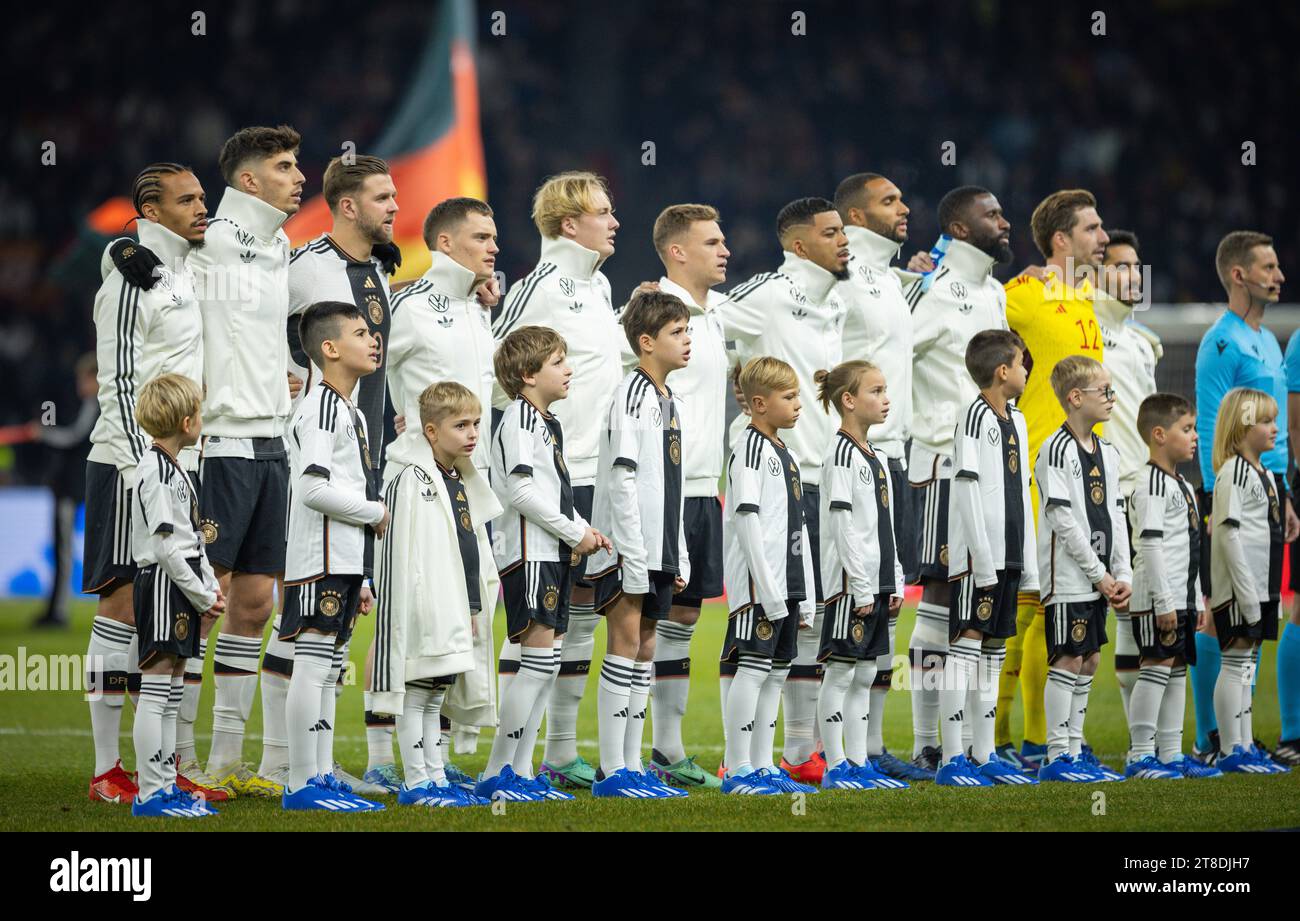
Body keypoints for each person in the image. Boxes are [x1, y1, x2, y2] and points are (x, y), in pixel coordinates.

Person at [267, 153, 399, 795]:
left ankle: (315, 769)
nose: (395, 207)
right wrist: (284, 383)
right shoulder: (303, 266)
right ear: (347, 206)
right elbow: (252, 329)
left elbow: (374, 362)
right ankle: (285, 767)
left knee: (330, 645)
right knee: (301, 637)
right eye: (383, 197)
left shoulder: (375, 270)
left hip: (361, 454)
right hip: (318, 467)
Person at [493, 172, 625, 790]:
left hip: (594, 471)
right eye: (602, 212)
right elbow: (495, 360)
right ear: (569, 224)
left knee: (577, 617)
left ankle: (555, 752)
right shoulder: (539, 286)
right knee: (534, 623)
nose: (614, 221)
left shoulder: (599, 289)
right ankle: (501, 759)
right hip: (545, 477)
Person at [86, 162, 209, 803]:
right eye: (187, 200)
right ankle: (109, 768)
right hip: (127, 465)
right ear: (151, 210)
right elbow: (121, 382)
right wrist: (148, 471)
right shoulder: (134, 281)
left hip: (179, 464)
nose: (201, 207)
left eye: (203, 197)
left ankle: (163, 761)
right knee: (124, 605)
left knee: (172, 610)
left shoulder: (184, 268)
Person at [716, 197, 847, 785]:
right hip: (779, 482)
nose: (844, 240)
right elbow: (699, 318)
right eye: (831, 232)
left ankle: (794, 753)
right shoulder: (766, 292)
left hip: (819, 472)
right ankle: (739, 759)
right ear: (799, 244)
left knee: (805, 624)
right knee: (756, 631)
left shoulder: (838, 300)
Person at [378, 196, 502, 790]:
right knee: (418, 626)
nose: (493, 247)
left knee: (462, 624)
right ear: (445, 244)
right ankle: (390, 765)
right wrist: (386, 438)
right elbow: (363, 378)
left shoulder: (479, 312)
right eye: (481, 237)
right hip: (417, 488)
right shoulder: (409, 307)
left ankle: (434, 764)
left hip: (466, 488)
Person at [998, 189, 1110, 772]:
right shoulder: (1021, 295)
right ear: (1060, 240)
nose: (1104, 238)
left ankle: (1045, 740)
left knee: (1055, 612)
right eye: (1091, 229)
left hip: (1078, 469)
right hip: (1036, 470)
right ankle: (1006, 741)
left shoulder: (1085, 297)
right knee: (1026, 611)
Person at [477, 326, 610, 802]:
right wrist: (574, 531)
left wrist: (583, 529)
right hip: (529, 555)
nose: (568, 369)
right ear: (529, 375)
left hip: (549, 553)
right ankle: (498, 772)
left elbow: (552, 492)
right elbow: (521, 491)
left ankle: (521, 771)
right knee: (534, 667)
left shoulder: (543, 420)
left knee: (544, 666)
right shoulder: (518, 419)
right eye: (558, 362)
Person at [905, 185, 1010, 775]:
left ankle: (973, 743)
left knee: (979, 602)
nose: (1004, 221)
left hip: (992, 470)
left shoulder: (992, 291)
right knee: (942, 595)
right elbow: (895, 356)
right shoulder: (934, 292)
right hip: (943, 467)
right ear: (961, 230)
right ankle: (927, 741)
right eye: (991, 215)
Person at [831, 172, 927, 782]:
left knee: (888, 604)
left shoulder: (893, 280)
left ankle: (869, 747)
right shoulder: (839, 279)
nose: (904, 207)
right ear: (856, 219)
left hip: (896, 457)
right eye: (889, 201)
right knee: (849, 602)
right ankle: (830, 750)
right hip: (851, 456)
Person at [1191, 231, 1294, 766]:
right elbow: (1214, 427)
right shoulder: (1221, 342)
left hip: (1270, 490)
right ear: (1239, 274)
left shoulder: (1267, 341)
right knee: (1219, 613)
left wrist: (1285, 497)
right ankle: (1210, 737)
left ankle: (1239, 737)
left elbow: (1274, 439)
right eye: (1269, 267)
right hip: (1230, 491)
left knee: (1251, 619)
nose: (1279, 276)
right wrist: (1215, 500)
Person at [636, 204, 730, 790]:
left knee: (686, 614)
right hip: (660, 491)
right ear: (677, 252)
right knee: (640, 621)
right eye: (712, 242)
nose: (725, 251)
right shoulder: (647, 311)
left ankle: (667, 749)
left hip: (702, 489)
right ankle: (611, 752)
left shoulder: (719, 313)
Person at [279, 301, 387, 811]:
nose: (373, 340)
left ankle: (320, 774)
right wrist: (375, 512)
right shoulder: (322, 404)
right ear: (329, 348)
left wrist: (362, 574)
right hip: (319, 554)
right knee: (314, 662)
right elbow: (312, 488)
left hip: (342, 558)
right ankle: (303, 781)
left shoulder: (348, 409)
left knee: (327, 666)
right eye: (361, 332)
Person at [370, 382, 497, 807]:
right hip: (425, 607)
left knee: (436, 694)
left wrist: (473, 602)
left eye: (476, 424)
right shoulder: (411, 478)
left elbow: (467, 547)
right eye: (461, 425)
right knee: (418, 695)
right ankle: (417, 783)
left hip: (455, 605)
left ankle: (436, 778)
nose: (472, 433)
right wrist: (416, 604)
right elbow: (401, 552)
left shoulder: (457, 475)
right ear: (430, 431)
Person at [587, 290, 693, 798]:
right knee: (625, 644)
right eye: (677, 332)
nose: (687, 340)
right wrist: (631, 553)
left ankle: (632, 764)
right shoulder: (631, 394)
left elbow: (669, 483)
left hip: (658, 547)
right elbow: (621, 480)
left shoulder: (668, 398)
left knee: (645, 647)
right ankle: (614, 768)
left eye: (687, 330)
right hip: (630, 549)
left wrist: (678, 551)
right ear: (646, 342)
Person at [939, 330, 1038, 786]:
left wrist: (1027, 563)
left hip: (1011, 554)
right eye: (1021, 364)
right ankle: (951, 758)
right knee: (965, 648)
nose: (1025, 371)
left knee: (993, 651)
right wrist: (980, 558)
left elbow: (1019, 493)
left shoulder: (1016, 419)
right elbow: (965, 486)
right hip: (981, 559)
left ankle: (983, 752)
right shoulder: (973, 417)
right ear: (1003, 370)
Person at [719, 357, 817, 796]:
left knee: (776, 672)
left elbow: (798, 528)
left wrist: (806, 592)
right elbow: (746, 520)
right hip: (762, 585)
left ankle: (761, 764)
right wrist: (767, 586)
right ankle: (738, 767)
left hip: (787, 582)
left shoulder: (787, 453)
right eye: (789, 397)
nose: (799, 405)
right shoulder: (750, 448)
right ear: (759, 403)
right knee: (754, 668)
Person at [128, 373, 224, 818]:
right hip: (165, 586)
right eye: (200, 413)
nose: (202, 420)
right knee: (156, 686)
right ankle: (151, 793)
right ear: (187, 421)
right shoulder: (156, 470)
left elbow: (191, 539)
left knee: (170, 689)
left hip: (181, 585)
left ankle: (165, 784)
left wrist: (209, 585)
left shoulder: (175, 467)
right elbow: (166, 547)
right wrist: (200, 594)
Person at [1033, 356, 1130, 783]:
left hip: (1102, 578)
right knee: (1068, 659)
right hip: (1070, 578)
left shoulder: (1108, 451)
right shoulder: (1054, 450)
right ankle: (1057, 757)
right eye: (1104, 391)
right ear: (1075, 398)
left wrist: (1122, 573)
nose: (1111, 398)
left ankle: (1074, 750)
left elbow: (1116, 515)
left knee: (1090, 660)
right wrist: (1099, 574)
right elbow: (1063, 521)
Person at [813, 360, 909, 792]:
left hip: (877, 581)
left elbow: (882, 526)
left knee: (866, 672)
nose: (885, 399)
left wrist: (896, 577)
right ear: (848, 401)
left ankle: (857, 762)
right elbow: (842, 524)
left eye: (886, 390)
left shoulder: (878, 457)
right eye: (876, 391)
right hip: (852, 585)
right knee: (841, 672)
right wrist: (862, 582)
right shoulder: (840, 454)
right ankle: (836, 765)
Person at [1123, 393, 1221, 779]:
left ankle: (1169, 754)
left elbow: (1190, 549)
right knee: (1156, 668)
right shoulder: (1150, 483)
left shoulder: (1180, 483)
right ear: (1159, 435)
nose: (1195, 436)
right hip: (1154, 599)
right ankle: (1141, 756)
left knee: (1176, 669)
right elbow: (1150, 546)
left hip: (1179, 598)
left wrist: (1193, 599)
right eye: (1187, 429)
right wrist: (1164, 602)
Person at [1095, 230, 1160, 727]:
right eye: (1121, 266)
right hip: (1101, 492)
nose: (1134, 276)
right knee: (1076, 619)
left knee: (1139, 614)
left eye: (1137, 267)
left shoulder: (1141, 341)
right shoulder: (1084, 327)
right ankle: (1040, 745)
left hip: (1143, 490)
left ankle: (1142, 744)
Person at [1208, 388, 1290, 774]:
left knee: (1248, 663)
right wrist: (1247, 593)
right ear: (1243, 425)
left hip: (1262, 586)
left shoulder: (1267, 474)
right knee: (1235, 658)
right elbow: (1228, 535)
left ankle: (1244, 742)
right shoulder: (1233, 473)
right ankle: (1231, 749)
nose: (1276, 428)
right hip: (1242, 589)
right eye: (1266, 421)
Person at [30, 353, 98, 629]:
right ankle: (55, 608)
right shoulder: (92, 405)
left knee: (63, 549)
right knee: (65, 549)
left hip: (72, 488)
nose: (80, 384)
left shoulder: (93, 405)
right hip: (81, 486)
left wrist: (43, 433)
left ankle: (57, 612)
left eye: (84, 378)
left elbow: (73, 436)